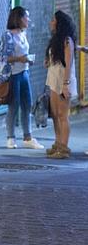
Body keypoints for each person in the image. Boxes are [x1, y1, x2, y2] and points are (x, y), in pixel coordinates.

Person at [0, 7, 43, 149]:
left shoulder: (23, 34)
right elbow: (2, 57)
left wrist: (27, 60)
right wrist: (20, 59)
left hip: (25, 74)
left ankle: (27, 137)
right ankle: (10, 138)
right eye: (25, 17)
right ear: (18, 18)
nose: (28, 20)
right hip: (13, 76)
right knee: (13, 106)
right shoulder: (8, 36)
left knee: (27, 104)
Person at [45, 10, 77, 159]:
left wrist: (65, 84)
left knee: (63, 115)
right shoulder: (55, 40)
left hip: (64, 80)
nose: (51, 22)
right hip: (53, 79)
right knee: (55, 114)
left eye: (53, 20)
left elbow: (68, 64)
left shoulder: (67, 40)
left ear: (59, 22)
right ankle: (57, 143)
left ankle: (64, 148)